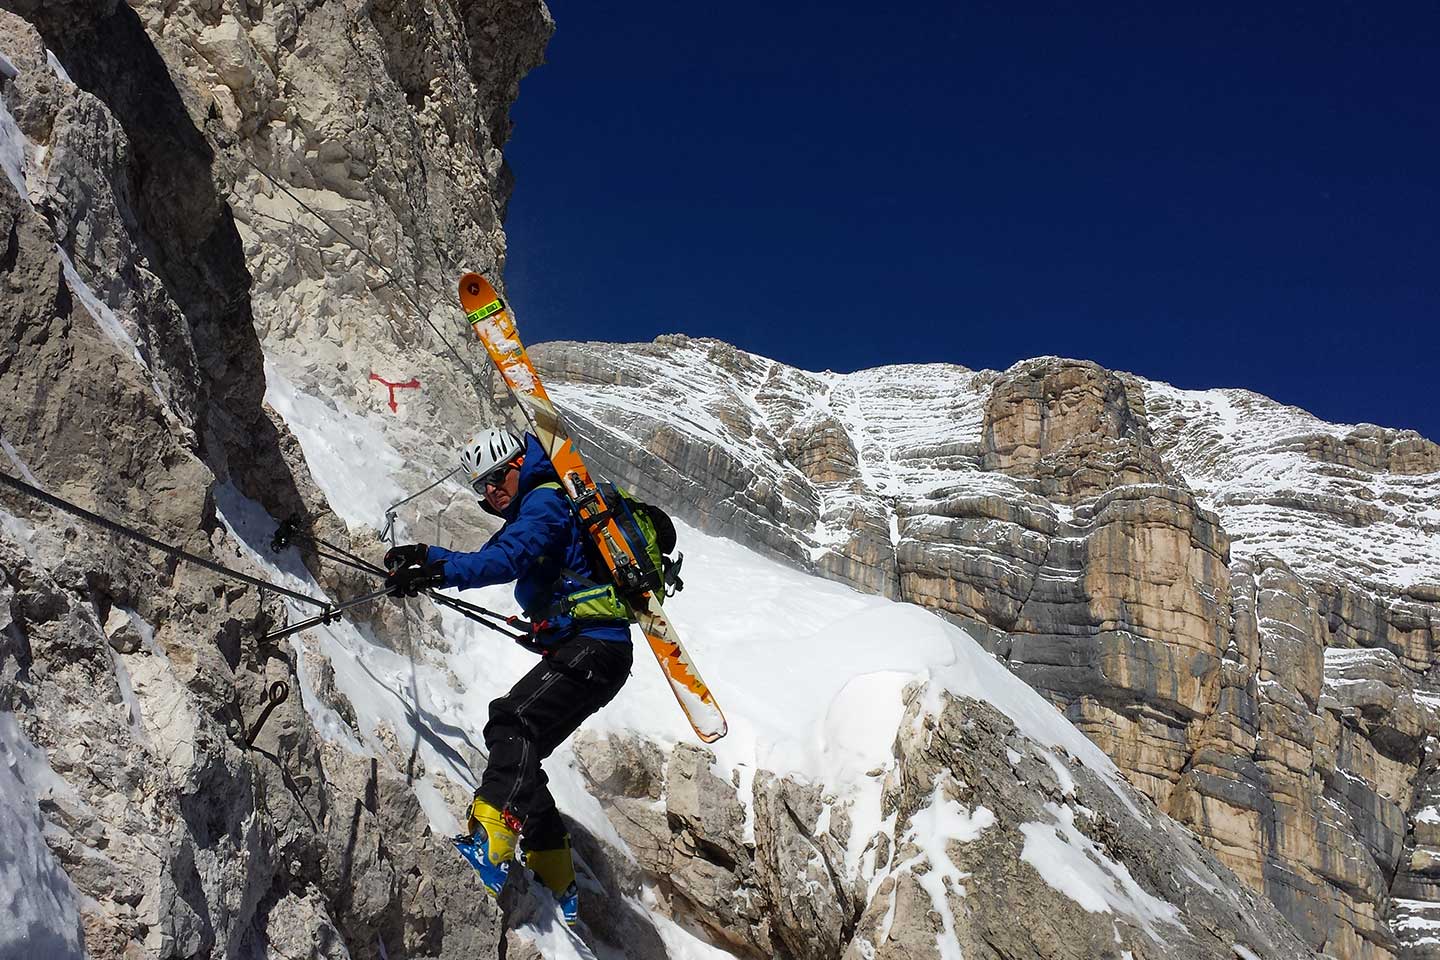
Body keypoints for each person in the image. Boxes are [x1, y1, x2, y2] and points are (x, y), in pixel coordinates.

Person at [383, 427, 634, 926]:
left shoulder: (545, 501)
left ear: (521, 464)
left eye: (498, 477)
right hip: (592, 648)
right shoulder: (533, 509)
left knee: (511, 722)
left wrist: (437, 573)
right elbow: (489, 555)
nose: (492, 490)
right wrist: (427, 558)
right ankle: (553, 865)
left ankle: (492, 838)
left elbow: (507, 560)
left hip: (594, 646)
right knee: (522, 744)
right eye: (483, 485)